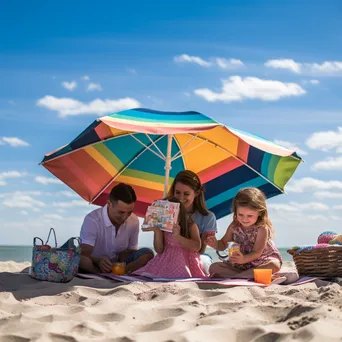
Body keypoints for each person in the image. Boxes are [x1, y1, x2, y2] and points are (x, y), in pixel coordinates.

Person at [206, 187, 282, 279]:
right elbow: (223, 244)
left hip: (259, 262)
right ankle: (244, 276)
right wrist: (215, 244)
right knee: (214, 267)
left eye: (250, 215)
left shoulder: (262, 228)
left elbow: (257, 252)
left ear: (260, 213)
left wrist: (244, 259)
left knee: (274, 265)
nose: (244, 219)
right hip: (240, 266)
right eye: (240, 214)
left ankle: (239, 277)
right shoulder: (234, 226)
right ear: (235, 211)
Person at [79, 183, 154, 274]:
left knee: (148, 253)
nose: (125, 217)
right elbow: (84, 253)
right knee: (82, 260)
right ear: (109, 204)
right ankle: (102, 274)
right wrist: (98, 261)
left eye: (129, 212)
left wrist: (120, 261)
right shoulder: (92, 220)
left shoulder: (134, 220)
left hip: (118, 265)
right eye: (121, 212)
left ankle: (122, 272)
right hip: (95, 264)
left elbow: (131, 252)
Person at [134, 197, 207, 278]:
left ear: (180, 213)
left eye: (172, 213)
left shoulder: (190, 226)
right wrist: (157, 231)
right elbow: (159, 250)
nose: (168, 216)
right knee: (148, 274)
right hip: (164, 260)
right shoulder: (163, 229)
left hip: (185, 261)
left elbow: (197, 246)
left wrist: (178, 237)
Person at [167, 170, 217, 274]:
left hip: (196, 257)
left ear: (197, 193)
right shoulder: (166, 213)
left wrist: (180, 238)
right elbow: (161, 248)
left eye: (186, 194)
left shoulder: (208, 217)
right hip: (171, 257)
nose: (181, 197)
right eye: (177, 192)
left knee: (205, 262)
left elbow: (200, 251)